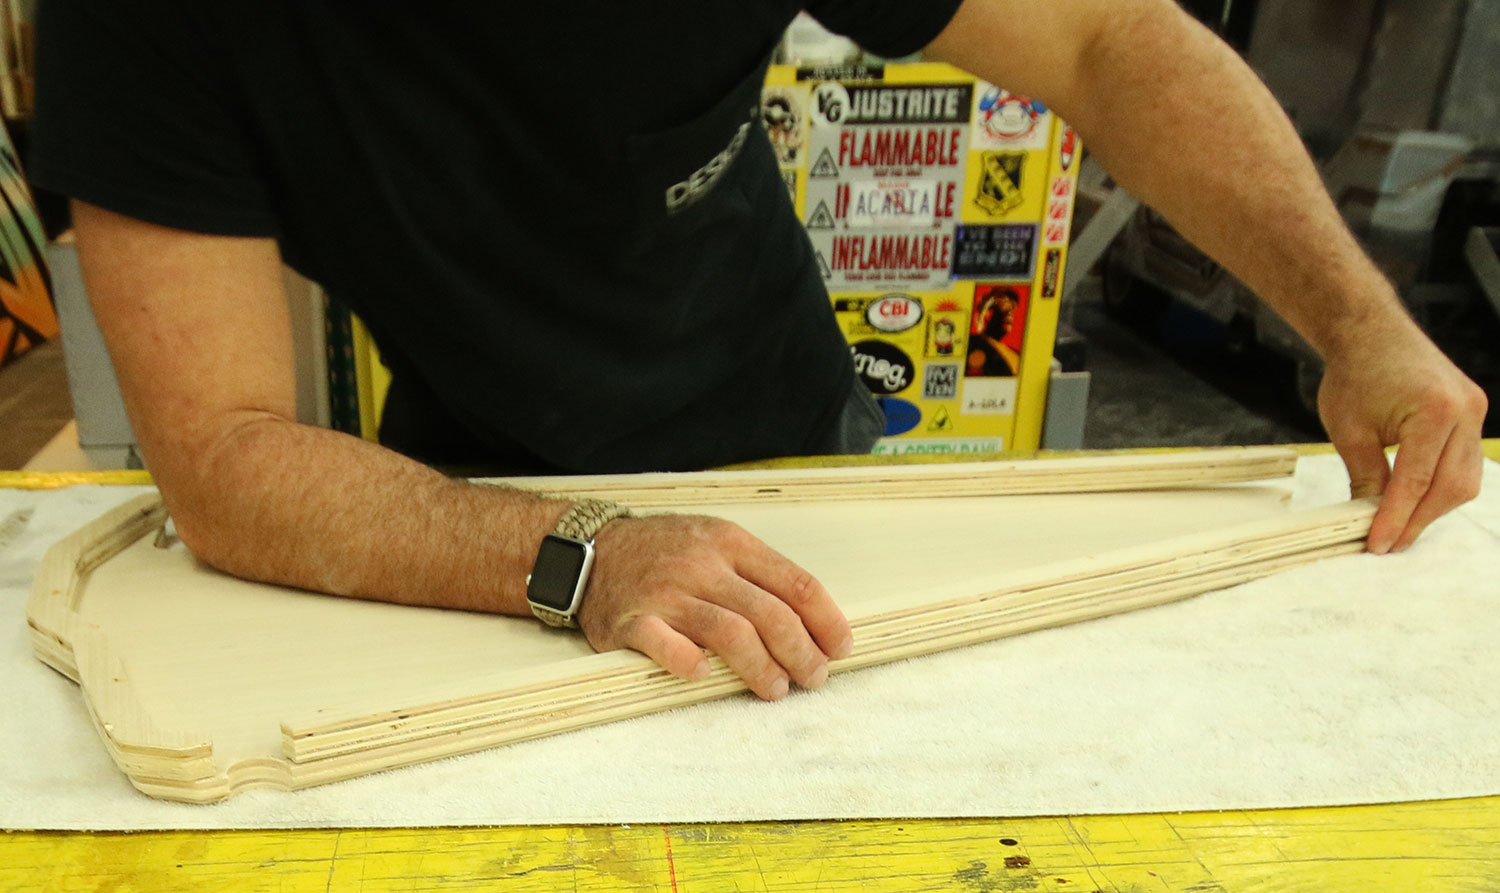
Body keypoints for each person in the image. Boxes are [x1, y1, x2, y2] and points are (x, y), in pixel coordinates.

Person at [30, 0, 1487, 703]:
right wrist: (580, 556)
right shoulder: (144, 15)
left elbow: (1107, 36)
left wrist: (1361, 324)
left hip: (794, 436)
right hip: (470, 516)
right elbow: (221, 455)